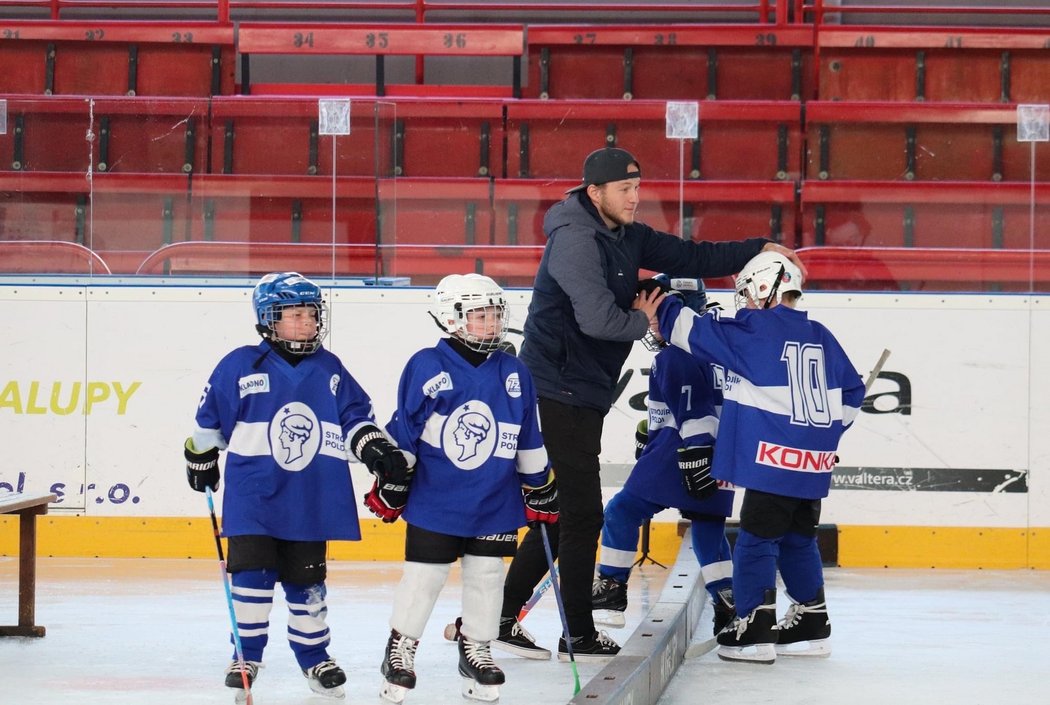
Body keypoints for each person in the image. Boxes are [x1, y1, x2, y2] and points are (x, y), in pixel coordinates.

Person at [497, 145, 807, 662]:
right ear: (595, 192)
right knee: (582, 516)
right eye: (625, 189)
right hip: (555, 390)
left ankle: (500, 621)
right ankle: (577, 632)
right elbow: (599, 320)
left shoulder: (624, 235)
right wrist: (648, 315)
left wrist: (760, 247)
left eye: (638, 187)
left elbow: (691, 257)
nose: (635, 198)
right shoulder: (575, 240)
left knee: (558, 515)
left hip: (582, 390)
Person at [183, 271, 410, 699]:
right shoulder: (238, 364)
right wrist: (199, 456)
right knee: (250, 580)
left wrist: (376, 449)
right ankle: (246, 654)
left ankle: (314, 657)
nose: (306, 321)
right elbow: (208, 421)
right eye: (294, 314)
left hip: (311, 498)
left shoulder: (329, 367)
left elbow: (355, 418)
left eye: (311, 313)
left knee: (308, 585)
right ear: (269, 320)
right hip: (254, 497)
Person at [653, 251, 865, 664]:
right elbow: (853, 393)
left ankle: (753, 628)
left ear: (765, 287)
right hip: (813, 464)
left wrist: (660, 299)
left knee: (756, 537)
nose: (745, 302)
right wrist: (821, 436)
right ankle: (811, 616)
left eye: (748, 293)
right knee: (798, 535)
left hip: (775, 461)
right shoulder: (820, 332)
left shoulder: (753, 328)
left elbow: (685, 330)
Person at [377, 274, 558, 704]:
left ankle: (476, 647)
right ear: (452, 320)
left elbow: (527, 435)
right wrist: (393, 478)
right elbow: (406, 430)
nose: (491, 324)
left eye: (495, 314)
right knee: (423, 578)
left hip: (495, 497)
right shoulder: (426, 364)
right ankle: (401, 649)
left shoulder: (514, 371)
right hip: (436, 497)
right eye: (480, 315)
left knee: (487, 578)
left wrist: (539, 484)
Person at [592, 275, 735, 636]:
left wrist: (695, 451)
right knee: (707, 529)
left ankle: (610, 589)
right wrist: (650, 430)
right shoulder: (719, 346)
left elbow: (693, 408)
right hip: (720, 454)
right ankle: (729, 603)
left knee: (622, 510)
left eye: (657, 314)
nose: (650, 324)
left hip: (683, 451)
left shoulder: (675, 354)